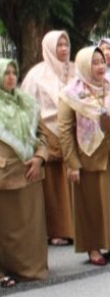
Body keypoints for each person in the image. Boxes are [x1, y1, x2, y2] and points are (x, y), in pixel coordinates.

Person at [58, 47, 110, 266]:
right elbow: (65, 131)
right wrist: (72, 163)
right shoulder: (70, 94)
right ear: (84, 65)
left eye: (102, 62)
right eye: (94, 63)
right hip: (88, 157)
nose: (100, 66)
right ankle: (93, 247)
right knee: (92, 204)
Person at [21, 30, 75, 246]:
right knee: (55, 186)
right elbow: (27, 106)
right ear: (49, 47)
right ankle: (58, 229)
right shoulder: (37, 74)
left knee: (75, 179)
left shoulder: (75, 70)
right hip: (49, 132)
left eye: (66, 44)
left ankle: (78, 226)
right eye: (59, 45)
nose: (63, 49)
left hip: (74, 130)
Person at [0, 59, 48, 288]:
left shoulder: (28, 104)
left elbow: (43, 136)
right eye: (5, 73)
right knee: (5, 227)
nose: (10, 76)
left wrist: (40, 157)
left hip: (30, 172)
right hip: (4, 175)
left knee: (30, 226)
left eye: (13, 72)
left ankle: (30, 268)